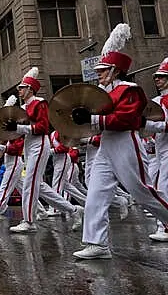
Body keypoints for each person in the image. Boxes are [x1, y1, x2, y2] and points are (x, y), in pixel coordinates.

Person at [72, 24, 168, 259]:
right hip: (106, 144)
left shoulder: (130, 89)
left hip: (126, 143)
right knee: (95, 193)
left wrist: (93, 118)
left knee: (142, 192)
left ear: (115, 71)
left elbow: (126, 118)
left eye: (103, 71)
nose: (99, 74)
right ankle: (97, 243)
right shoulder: (101, 92)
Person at [2, 67, 84, 233]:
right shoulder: (23, 108)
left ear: (30, 89)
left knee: (29, 183)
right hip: (29, 145)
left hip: (39, 144)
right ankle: (74, 210)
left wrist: (18, 127)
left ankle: (29, 221)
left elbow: (42, 127)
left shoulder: (40, 103)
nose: (19, 90)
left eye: (22, 87)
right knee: (37, 184)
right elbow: (21, 130)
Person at [143, 59, 168, 241]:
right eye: (156, 77)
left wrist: (148, 125)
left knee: (162, 185)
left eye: (161, 77)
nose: (157, 79)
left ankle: (164, 226)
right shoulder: (157, 100)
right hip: (159, 148)